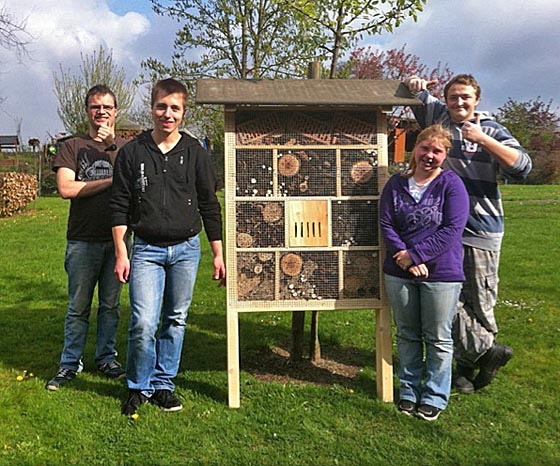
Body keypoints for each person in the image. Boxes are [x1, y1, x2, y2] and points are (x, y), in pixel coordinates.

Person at [402, 74, 532, 393]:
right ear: (446, 100)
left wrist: (483, 139)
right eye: (453, 97)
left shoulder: (491, 129)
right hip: (443, 230)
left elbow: (524, 167)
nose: (459, 102)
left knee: (479, 303)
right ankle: (485, 354)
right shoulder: (440, 118)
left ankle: (464, 370)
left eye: (465, 97)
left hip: (480, 230)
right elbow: (417, 92)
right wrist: (416, 84)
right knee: (445, 297)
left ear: (477, 100)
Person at [110, 78, 226, 416]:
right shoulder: (132, 153)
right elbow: (118, 204)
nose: (168, 114)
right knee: (144, 321)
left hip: (186, 250)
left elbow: (209, 204)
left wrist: (217, 252)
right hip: (145, 249)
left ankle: (163, 384)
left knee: (175, 319)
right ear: (152, 108)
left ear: (183, 111)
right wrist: (121, 250)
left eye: (175, 108)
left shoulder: (195, 153)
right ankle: (138, 386)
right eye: (162, 106)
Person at [380, 124, 469, 421]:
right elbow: (387, 223)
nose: (429, 156)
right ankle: (408, 390)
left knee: (438, 337)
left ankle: (433, 395)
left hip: (442, 272)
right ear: (415, 149)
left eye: (437, 151)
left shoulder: (451, 185)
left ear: (444, 155)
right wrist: (404, 259)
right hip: (399, 271)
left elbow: (452, 229)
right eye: (425, 149)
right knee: (407, 333)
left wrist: (417, 255)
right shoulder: (396, 183)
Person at [46, 85, 127, 391]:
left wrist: (113, 149)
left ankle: (106, 358)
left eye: (107, 107)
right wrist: (110, 180)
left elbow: (134, 182)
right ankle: (69, 365)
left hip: (117, 241)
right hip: (82, 240)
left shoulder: (125, 147)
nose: (101, 112)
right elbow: (67, 189)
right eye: (95, 107)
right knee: (78, 307)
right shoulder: (72, 147)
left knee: (110, 306)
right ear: (87, 112)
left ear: (115, 111)